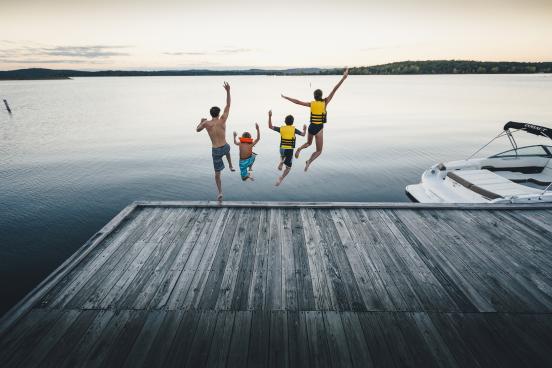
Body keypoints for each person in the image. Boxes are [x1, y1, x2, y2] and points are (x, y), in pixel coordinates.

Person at [281, 67, 349, 171]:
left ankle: (299, 148)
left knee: (308, 143)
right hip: (319, 129)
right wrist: (343, 78)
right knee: (319, 151)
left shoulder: (311, 104)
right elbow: (334, 89)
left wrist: (286, 97)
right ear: (321, 96)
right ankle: (308, 162)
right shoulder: (325, 102)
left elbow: (298, 102)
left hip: (311, 127)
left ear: (314, 97)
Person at [196, 81, 235, 201]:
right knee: (228, 149)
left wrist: (201, 121)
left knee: (217, 174)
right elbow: (228, 105)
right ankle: (230, 165)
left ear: (210, 114)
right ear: (218, 113)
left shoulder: (207, 124)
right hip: (224, 147)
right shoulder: (222, 120)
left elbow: (197, 130)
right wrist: (228, 91)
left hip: (216, 150)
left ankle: (220, 193)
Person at [268, 110, 306, 186]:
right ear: (292, 122)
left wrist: (270, 116)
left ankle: (282, 161)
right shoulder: (294, 129)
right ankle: (281, 178)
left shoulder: (281, 128)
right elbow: (303, 134)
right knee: (288, 168)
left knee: (283, 155)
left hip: (282, 149)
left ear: (285, 121)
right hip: (289, 150)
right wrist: (305, 128)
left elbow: (270, 126)